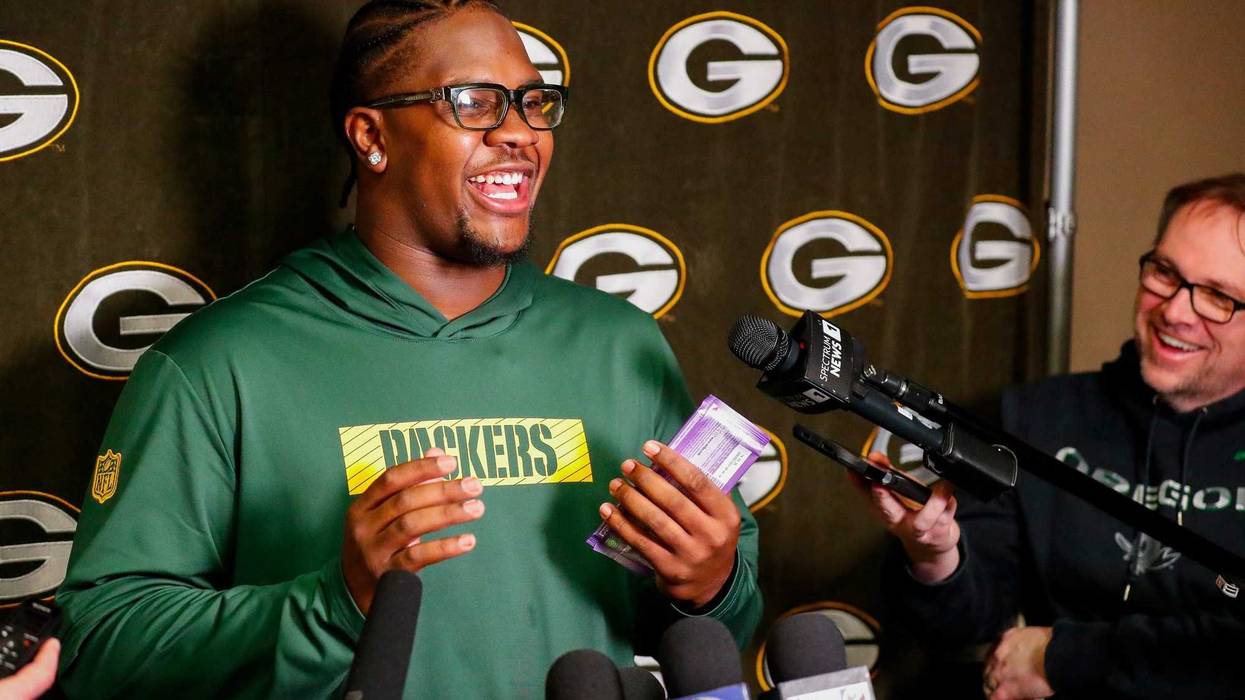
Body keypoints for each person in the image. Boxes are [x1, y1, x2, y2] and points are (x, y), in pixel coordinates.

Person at [55, 2, 761, 697]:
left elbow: (721, 627)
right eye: (476, 102)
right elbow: (103, 641)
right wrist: (333, 604)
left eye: (533, 101)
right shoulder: (219, 361)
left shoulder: (618, 345)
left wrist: (707, 583)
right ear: (371, 136)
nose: (519, 131)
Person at [853, 173, 1245, 700]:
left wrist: (1062, 658)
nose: (1174, 310)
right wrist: (936, 554)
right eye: (1164, 273)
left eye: (1219, 297)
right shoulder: (1038, 417)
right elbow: (964, 625)